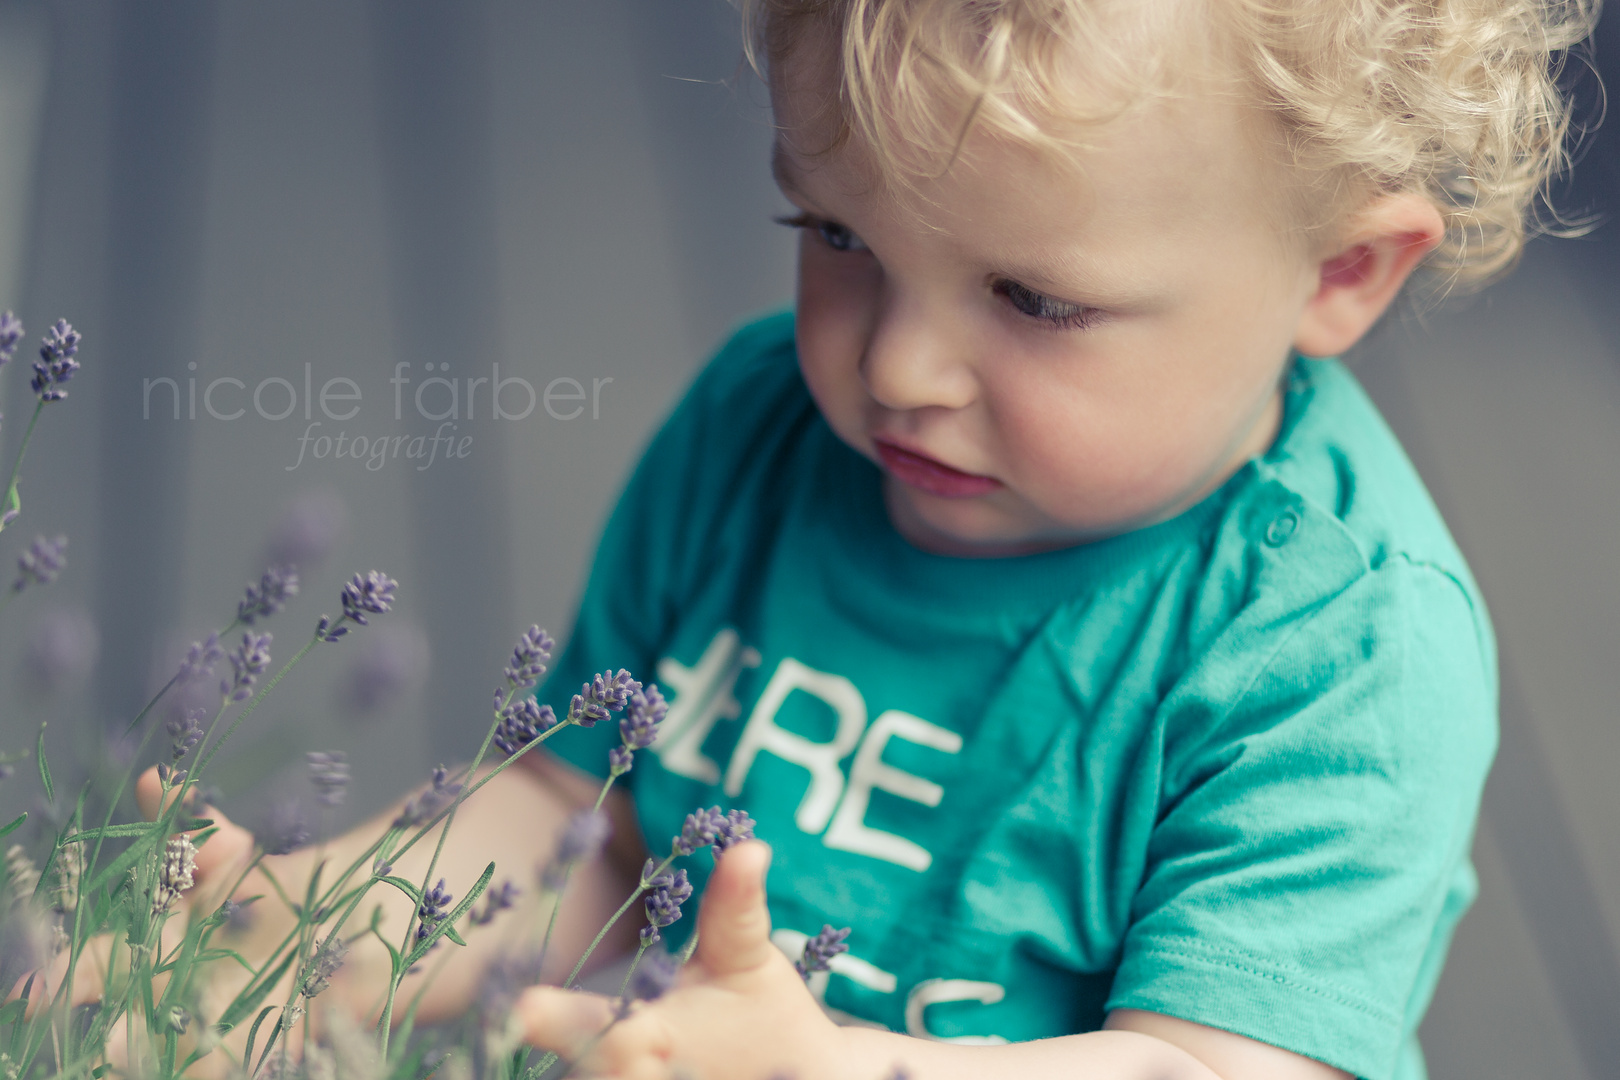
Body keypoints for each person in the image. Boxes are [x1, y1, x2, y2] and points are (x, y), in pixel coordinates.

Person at [31, 2, 1595, 1078]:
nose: (895, 368)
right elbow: (578, 824)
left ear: (1343, 273)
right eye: (839, 237)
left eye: (1035, 299)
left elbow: (1213, 1059)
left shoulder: (1334, 649)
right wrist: (309, 937)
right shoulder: (754, 432)